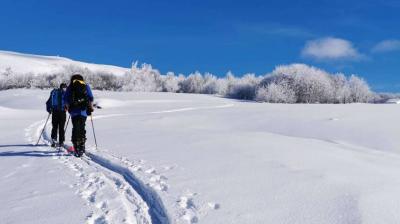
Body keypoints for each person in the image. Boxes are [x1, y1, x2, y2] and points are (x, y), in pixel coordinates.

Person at [63, 74, 94, 157]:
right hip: (83, 111)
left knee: (75, 128)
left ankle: (76, 146)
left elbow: (65, 98)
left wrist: (67, 107)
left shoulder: (70, 87)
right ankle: (82, 146)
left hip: (74, 111)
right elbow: (90, 97)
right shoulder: (85, 85)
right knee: (82, 127)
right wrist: (90, 108)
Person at [46, 83, 67, 147]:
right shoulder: (65, 93)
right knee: (61, 127)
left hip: (55, 112)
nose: (65, 89)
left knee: (55, 126)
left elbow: (48, 102)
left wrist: (49, 110)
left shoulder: (54, 92)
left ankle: (54, 140)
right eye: (65, 87)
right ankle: (61, 141)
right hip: (62, 112)